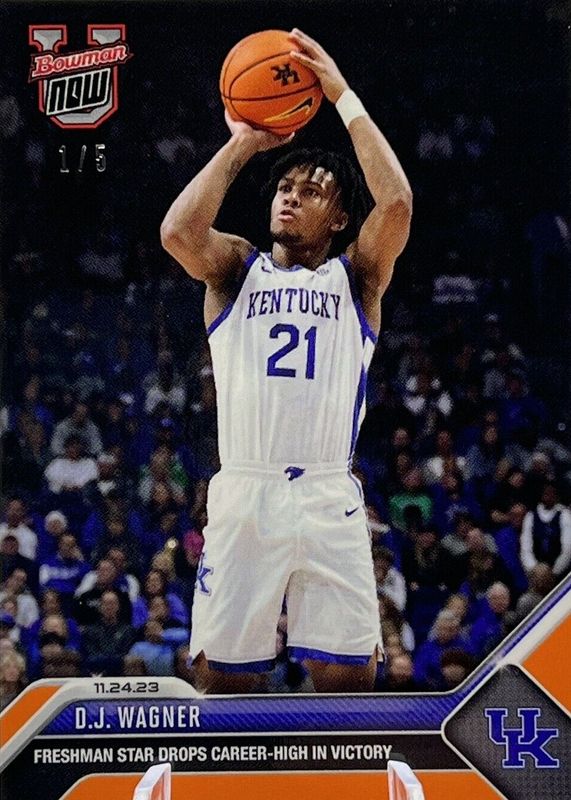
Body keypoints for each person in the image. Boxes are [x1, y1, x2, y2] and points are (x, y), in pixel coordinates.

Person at [161, 29, 412, 693]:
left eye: (312, 190)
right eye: (284, 186)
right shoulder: (235, 268)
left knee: (348, 680)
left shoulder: (357, 277)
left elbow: (395, 203)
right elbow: (177, 233)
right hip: (246, 491)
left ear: (339, 219)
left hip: (328, 493)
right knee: (221, 681)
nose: (290, 195)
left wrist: (341, 94)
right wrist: (244, 142)